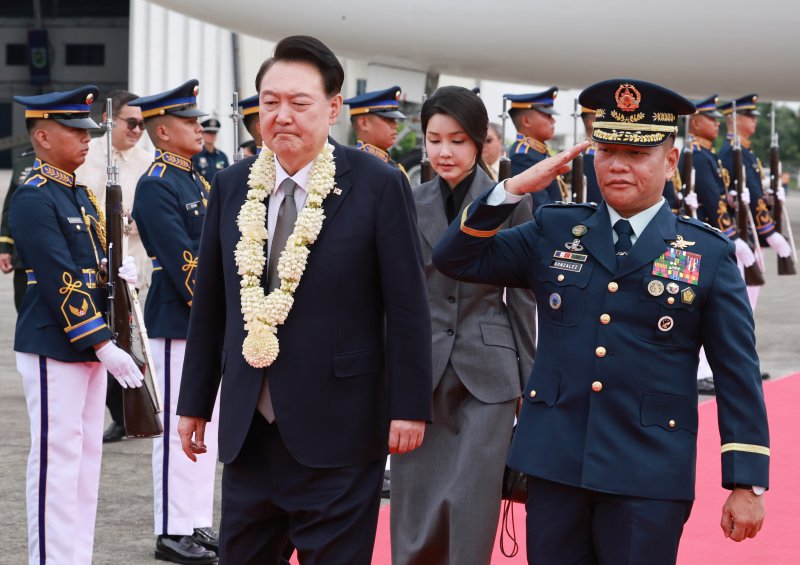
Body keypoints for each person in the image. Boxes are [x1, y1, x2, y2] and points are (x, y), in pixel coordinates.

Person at [433, 78, 769, 564]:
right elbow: (454, 260)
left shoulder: (706, 253)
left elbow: (737, 372)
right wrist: (508, 191)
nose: (617, 165)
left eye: (636, 154)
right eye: (607, 150)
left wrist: (745, 480)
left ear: (670, 161)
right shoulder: (554, 230)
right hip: (554, 466)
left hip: (648, 473)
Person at [175, 35, 432, 564]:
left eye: (299, 102)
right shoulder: (230, 183)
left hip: (339, 429)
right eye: (270, 102)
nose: (281, 116)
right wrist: (194, 402)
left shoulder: (378, 185)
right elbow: (213, 305)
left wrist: (409, 407)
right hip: (251, 432)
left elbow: (407, 306)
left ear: (334, 108)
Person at [391, 85, 536, 565]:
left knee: (472, 507)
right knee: (415, 511)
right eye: (434, 140)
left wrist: (529, 389)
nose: (444, 152)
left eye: (456, 140)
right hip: (421, 376)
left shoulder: (511, 202)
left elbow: (523, 300)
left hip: (489, 376)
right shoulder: (407, 201)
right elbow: (394, 297)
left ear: (478, 142)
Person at [10, 85, 143, 565]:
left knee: (86, 464)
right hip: (54, 344)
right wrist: (102, 342)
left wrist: (117, 276)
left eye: (88, 131)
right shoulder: (34, 197)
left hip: (89, 344)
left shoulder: (80, 194)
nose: (87, 139)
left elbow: (91, 267)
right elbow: (58, 277)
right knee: (57, 462)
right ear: (43, 136)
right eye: (74, 130)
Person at [129, 80, 219, 565]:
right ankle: (170, 531)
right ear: (162, 132)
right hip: (176, 318)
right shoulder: (156, 184)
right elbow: (182, 259)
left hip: (204, 320)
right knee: (178, 430)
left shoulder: (197, 180)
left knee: (207, 426)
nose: (197, 128)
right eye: (187, 122)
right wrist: (217, 309)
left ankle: (195, 520)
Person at [75, 89, 152, 443]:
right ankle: (118, 414)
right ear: (110, 120)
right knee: (104, 346)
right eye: (132, 122)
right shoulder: (87, 156)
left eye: (143, 124)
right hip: (97, 267)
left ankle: (137, 412)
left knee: (136, 345)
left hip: (137, 266)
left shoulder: (147, 161)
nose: (138, 130)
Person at [681, 95, 754, 395]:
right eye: (711, 119)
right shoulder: (697, 154)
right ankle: (700, 371)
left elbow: (719, 196)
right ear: (696, 123)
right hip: (704, 240)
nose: (716, 124)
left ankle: (707, 370)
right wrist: (732, 236)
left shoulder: (706, 154)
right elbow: (711, 200)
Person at [719, 94, 792, 310]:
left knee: (749, 299)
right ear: (734, 119)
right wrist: (769, 231)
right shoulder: (731, 153)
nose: (754, 120)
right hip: (739, 235)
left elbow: (753, 195)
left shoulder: (746, 153)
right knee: (741, 302)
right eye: (749, 115)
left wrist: (770, 199)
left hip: (749, 235)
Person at [506, 87, 568, 210]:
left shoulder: (537, 152)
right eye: (548, 116)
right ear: (526, 120)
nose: (553, 121)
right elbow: (539, 207)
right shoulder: (523, 156)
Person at [344, 85, 409, 176]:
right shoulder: (358, 166)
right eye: (389, 119)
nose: (396, 126)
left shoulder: (392, 166)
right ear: (364, 123)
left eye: (394, 120)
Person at [0, 146, 36, 311]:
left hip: (64, 259)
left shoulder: (79, 157)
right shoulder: (25, 161)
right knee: (24, 312)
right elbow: (10, 208)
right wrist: (5, 247)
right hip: (24, 257)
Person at [192, 118, 229, 185]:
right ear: (202, 134)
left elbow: (227, 177)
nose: (211, 136)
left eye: (214, 133)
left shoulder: (222, 156)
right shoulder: (196, 156)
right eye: (208, 133)